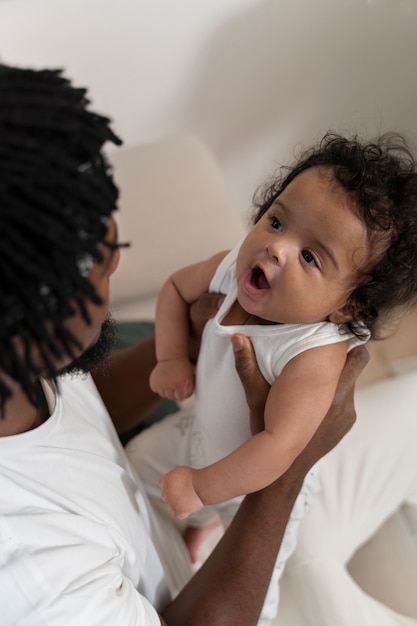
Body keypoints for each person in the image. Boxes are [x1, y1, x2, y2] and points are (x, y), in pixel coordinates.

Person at [0, 63, 369, 626]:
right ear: (30, 319)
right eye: (97, 268)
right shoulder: (30, 577)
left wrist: (189, 345)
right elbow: (279, 455)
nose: (117, 258)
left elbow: (73, 409)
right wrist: (287, 471)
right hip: (241, 574)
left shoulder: (20, 369)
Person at [141, 132, 417, 614]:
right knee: (133, 461)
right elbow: (175, 290)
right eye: (275, 221)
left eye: (310, 256)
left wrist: (202, 487)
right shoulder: (231, 267)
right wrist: (171, 359)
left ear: (346, 306)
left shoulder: (313, 354)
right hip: (199, 435)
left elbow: (279, 448)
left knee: (263, 599)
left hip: (259, 483)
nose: (275, 249)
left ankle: (211, 526)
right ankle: (202, 522)